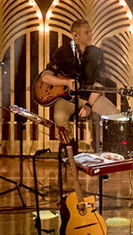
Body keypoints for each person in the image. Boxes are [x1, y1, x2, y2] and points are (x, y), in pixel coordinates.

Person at [42, 19, 110, 150]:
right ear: (75, 35)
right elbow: (46, 77)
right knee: (59, 117)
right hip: (67, 98)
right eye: (87, 32)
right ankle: (70, 147)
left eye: (90, 32)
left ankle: (105, 148)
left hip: (91, 97)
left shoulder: (97, 53)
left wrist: (89, 105)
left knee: (113, 114)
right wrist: (66, 82)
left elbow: (100, 82)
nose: (90, 35)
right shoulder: (63, 52)